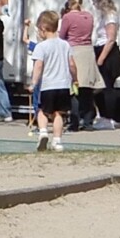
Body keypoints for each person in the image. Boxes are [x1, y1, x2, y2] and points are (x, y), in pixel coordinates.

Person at [29, 9, 73, 151]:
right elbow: (72, 64)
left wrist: (33, 83)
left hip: (48, 85)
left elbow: (38, 66)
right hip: (63, 84)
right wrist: (75, 79)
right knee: (58, 114)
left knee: (42, 110)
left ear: (43, 28)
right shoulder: (65, 45)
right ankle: (57, 141)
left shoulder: (41, 47)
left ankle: (43, 132)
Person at [56, 0, 96, 130]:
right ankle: (88, 121)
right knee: (87, 89)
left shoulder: (67, 17)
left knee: (74, 89)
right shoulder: (89, 16)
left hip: (74, 51)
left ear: (69, 3)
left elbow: (62, 36)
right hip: (88, 51)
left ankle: (74, 122)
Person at [89, 0, 120, 128]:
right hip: (100, 49)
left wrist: (101, 59)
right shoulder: (103, 16)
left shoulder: (110, 16)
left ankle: (109, 117)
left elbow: (111, 39)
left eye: (95, 1)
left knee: (107, 87)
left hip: (108, 53)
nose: (93, 4)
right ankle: (103, 116)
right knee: (99, 87)